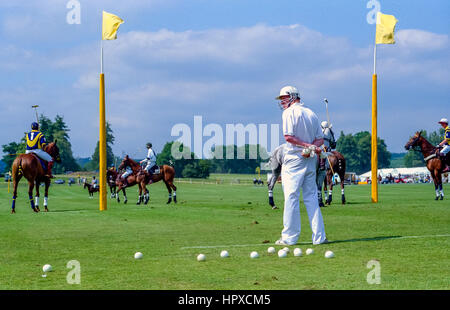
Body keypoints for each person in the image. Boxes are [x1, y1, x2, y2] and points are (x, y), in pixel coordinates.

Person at [275, 85, 328, 246]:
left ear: (292, 96)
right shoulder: (311, 113)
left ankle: (289, 237)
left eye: (284, 98)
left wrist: (306, 146)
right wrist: (311, 146)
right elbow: (320, 139)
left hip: (294, 158)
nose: (282, 102)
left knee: (291, 196)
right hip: (310, 159)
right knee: (311, 197)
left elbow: (288, 137)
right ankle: (319, 237)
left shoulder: (288, 113)